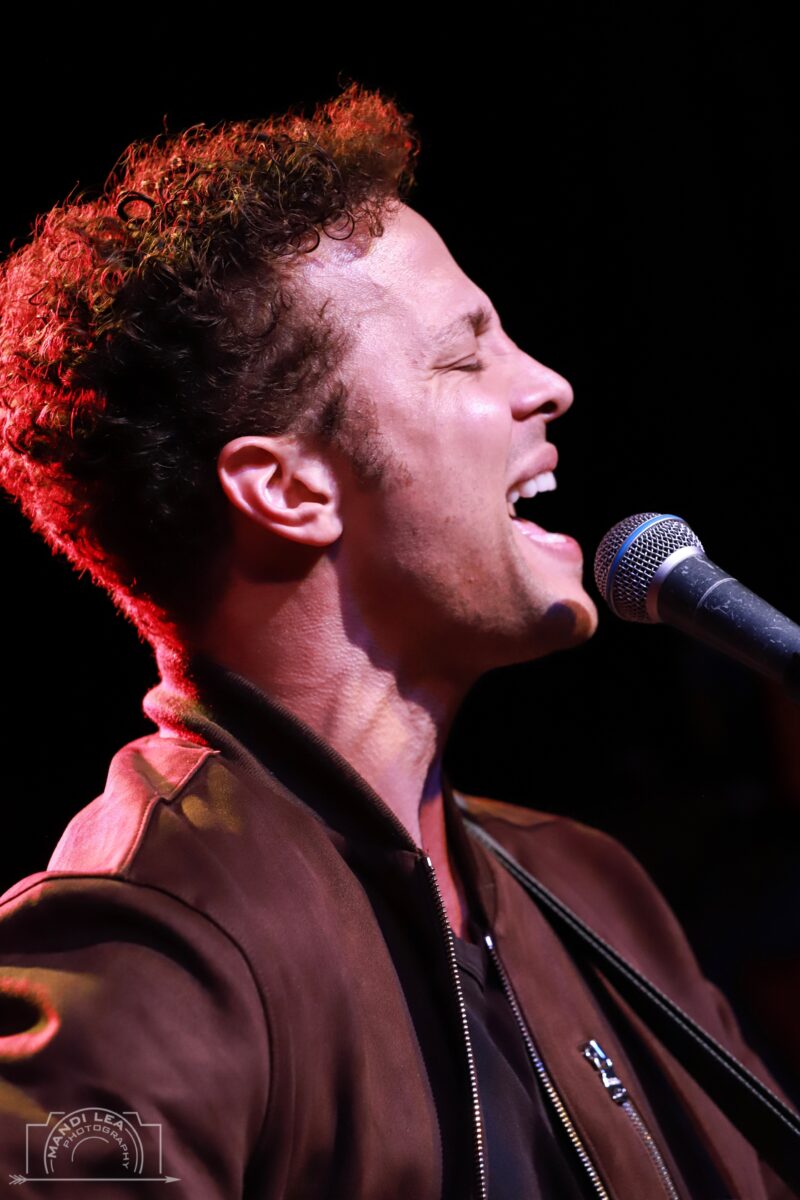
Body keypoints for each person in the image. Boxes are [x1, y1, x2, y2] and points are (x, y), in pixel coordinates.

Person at [0, 83, 794, 1198]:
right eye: (465, 358)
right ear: (287, 488)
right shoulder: (144, 950)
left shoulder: (592, 890)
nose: (549, 385)